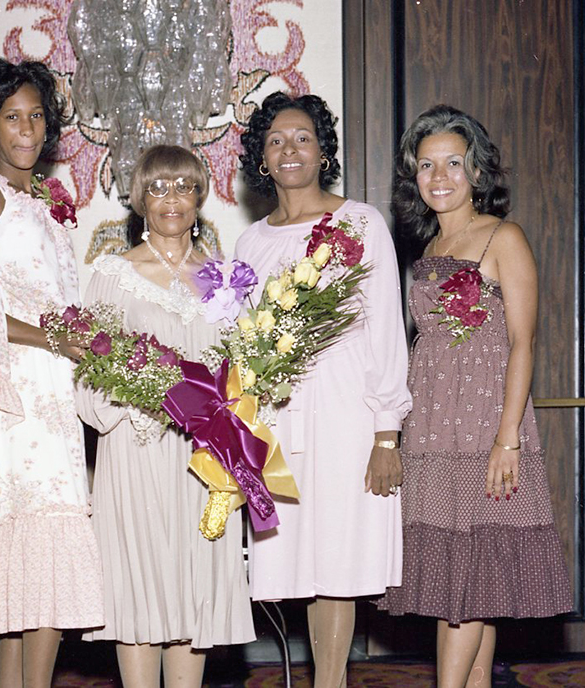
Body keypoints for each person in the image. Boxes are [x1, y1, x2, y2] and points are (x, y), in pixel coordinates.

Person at [377, 104, 572, 687]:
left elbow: (522, 343)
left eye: (453, 164)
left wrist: (507, 438)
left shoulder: (502, 237)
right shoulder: (428, 247)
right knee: (471, 584)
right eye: (427, 166)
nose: (439, 177)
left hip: (486, 430)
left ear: (477, 172)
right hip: (432, 430)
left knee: (466, 587)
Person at [235, 92, 412, 686]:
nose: (290, 150)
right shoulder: (251, 243)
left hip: (345, 419)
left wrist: (387, 433)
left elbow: (386, 328)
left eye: (303, 138)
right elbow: (241, 340)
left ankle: (329, 682)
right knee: (291, 561)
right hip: (277, 424)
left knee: (336, 561)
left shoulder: (360, 223)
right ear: (262, 157)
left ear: (323, 151)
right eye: (276, 140)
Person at [0, 58, 103, 687]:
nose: (28, 130)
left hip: (51, 390)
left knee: (31, 572)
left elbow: (61, 297)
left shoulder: (41, 198)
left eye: (37, 116)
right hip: (12, 393)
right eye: (13, 118)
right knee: (35, 557)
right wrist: (62, 341)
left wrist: (82, 339)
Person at [76, 144, 255, 688]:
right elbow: (87, 377)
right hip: (138, 449)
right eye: (157, 189)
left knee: (192, 592)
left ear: (200, 196)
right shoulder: (112, 273)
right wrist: (148, 404)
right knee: (141, 588)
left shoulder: (226, 278)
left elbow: (245, 370)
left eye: (182, 187)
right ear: (139, 201)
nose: (170, 200)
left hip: (207, 458)